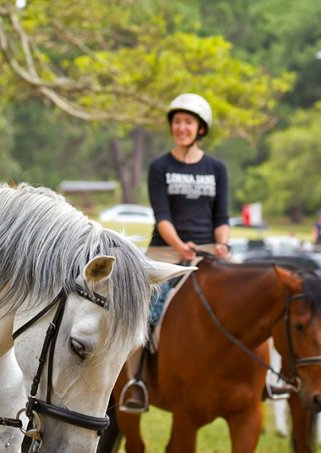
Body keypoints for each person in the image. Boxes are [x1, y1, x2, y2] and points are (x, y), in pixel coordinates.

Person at [122, 93, 230, 411]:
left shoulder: (217, 168)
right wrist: (180, 246)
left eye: (189, 122)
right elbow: (163, 216)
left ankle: (258, 378)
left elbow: (221, 217)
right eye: (178, 122)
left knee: (247, 296)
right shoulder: (160, 166)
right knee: (145, 309)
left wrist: (223, 243)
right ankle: (136, 381)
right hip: (166, 250)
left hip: (208, 251)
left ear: (201, 129)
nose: (182, 128)